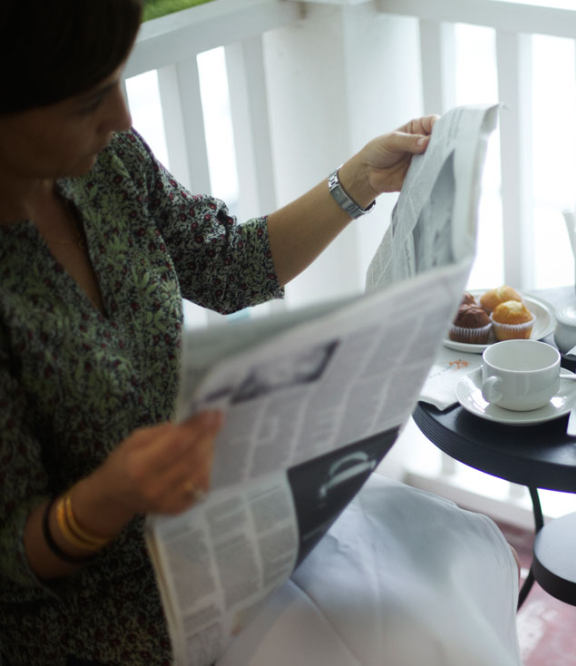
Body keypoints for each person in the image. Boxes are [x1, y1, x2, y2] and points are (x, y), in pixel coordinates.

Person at [0, 2, 520, 664]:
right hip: (97, 610)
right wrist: (99, 504)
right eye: (88, 102)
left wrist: (360, 179)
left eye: (120, 79)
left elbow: (223, 264)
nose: (123, 118)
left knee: (448, 563)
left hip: (219, 534)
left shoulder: (109, 166)